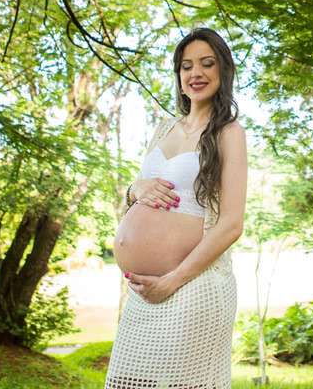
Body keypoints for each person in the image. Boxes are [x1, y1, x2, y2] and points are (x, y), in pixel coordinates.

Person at [106, 28, 248, 389]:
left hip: (191, 288)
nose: (195, 73)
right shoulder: (164, 128)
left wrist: (171, 281)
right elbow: (142, 190)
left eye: (206, 63)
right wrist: (135, 188)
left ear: (223, 70)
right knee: (127, 382)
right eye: (186, 66)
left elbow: (231, 225)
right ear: (179, 75)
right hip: (143, 296)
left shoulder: (229, 133)